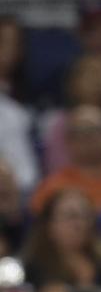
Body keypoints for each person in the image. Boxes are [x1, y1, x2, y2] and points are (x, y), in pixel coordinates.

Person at [30, 105, 101, 216]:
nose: (87, 137)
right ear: (68, 141)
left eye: (94, 131)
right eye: (79, 132)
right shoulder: (52, 188)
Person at [23, 189, 101, 289]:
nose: (80, 224)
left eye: (86, 216)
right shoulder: (32, 269)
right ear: (49, 224)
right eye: (71, 216)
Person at [0, 16, 38, 194]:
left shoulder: (33, 91)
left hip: (22, 187)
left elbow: (28, 173)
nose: (9, 50)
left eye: (15, 43)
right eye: (3, 41)